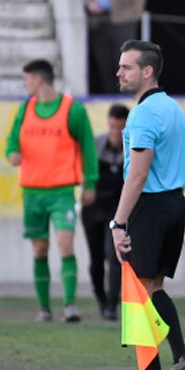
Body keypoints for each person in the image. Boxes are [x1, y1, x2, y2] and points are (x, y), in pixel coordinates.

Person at [112, 40, 185, 370]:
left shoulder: (143, 114)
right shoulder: (173, 108)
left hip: (149, 206)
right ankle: (177, 360)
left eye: (126, 67)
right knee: (152, 288)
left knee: (136, 293)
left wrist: (118, 223)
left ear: (147, 71)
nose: (119, 72)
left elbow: (138, 174)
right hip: (175, 204)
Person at [5, 60, 98, 323]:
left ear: (38, 79)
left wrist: (90, 183)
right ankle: (44, 307)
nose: (25, 85)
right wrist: (12, 152)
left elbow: (88, 148)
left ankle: (69, 304)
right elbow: (11, 140)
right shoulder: (25, 109)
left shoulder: (73, 110)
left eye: (27, 79)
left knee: (65, 244)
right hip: (32, 193)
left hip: (62, 192)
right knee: (40, 249)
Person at [82, 104, 128, 320]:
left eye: (120, 127)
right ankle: (101, 298)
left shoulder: (132, 149)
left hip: (117, 212)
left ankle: (112, 303)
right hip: (93, 209)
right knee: (96, 259)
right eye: (112, 126)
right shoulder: (96, 146)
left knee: (115, 255)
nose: (115, 132)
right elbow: (84, 173)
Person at [82, 0, 147, 94]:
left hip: (123, 21)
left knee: (125, 63)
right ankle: (111, 98)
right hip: (98, 21)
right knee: (104, 65)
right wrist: (89, 2)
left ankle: (126, 99)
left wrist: (135, 13)